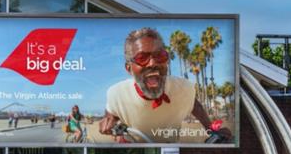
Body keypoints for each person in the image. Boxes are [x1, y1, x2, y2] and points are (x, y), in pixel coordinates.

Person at [98, 27, 232, 143]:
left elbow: (194, 104)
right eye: (142, 58)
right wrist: (108, 121)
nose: (152, 63)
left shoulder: (183, 88)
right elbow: (111, 112)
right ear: (129, 68)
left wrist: (212, 130)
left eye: (159, 56)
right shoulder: (116, 93)